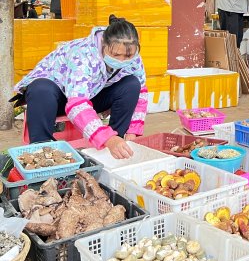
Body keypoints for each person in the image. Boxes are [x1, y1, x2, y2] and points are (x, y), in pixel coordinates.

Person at [13, 16, 148, 159]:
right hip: (58, 98)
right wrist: (106, 138)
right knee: (41, 88)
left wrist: (132, 131)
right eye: (116, 55)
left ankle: (118, 144)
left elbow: (141, 94)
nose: (122, 60)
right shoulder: (83, 56)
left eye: (127, 55)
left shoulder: (133, 57)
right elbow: (76, 104)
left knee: (133, 84)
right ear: (103, 44)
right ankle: (43, 152)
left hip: (90, 95)